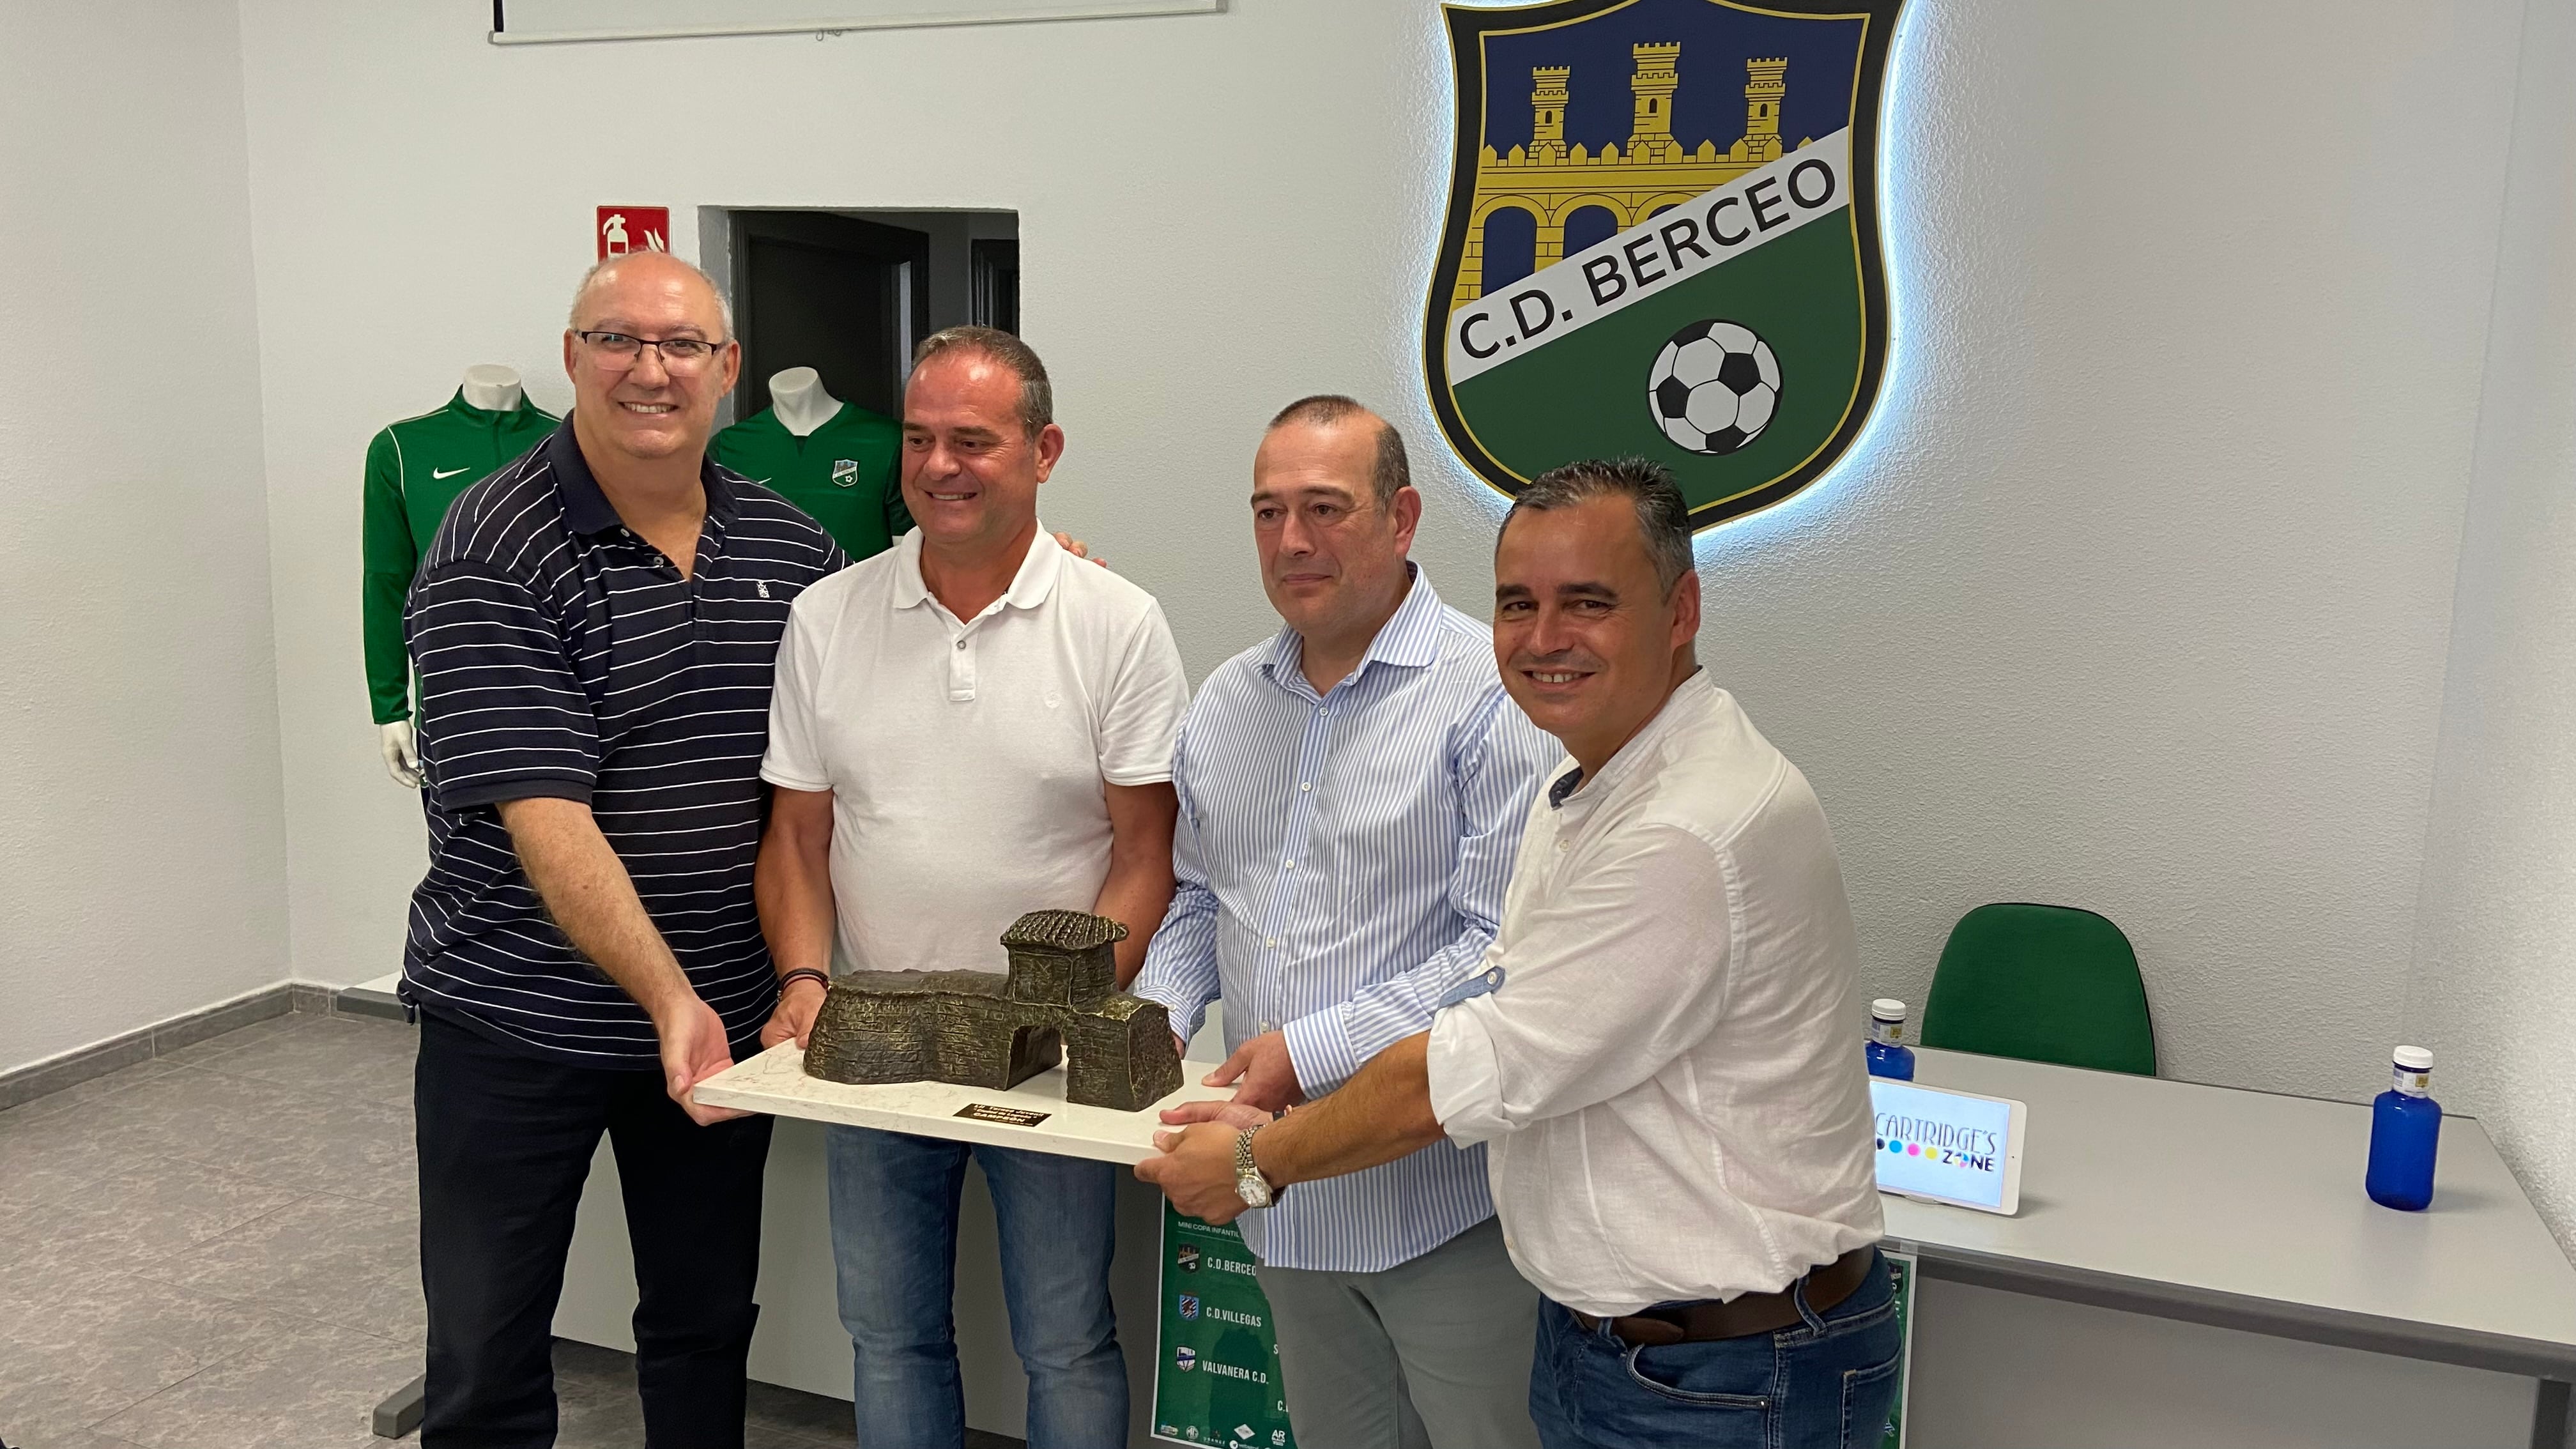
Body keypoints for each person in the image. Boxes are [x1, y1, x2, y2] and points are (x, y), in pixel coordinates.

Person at [1140, 459, 1897, 1449]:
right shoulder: (1588, 787)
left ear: (1682, 612)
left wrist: (1250, 1161)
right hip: (1621, 1341)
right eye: (1519, 604)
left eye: (1589, 603)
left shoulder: (1682, 828)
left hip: (1723, 1375)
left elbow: (1458, 1069)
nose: (1545, 640)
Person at [402, 250, 841, 1446]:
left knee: (704, 1329)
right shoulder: (490, 546)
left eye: (682, 344)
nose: (652, 370)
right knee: (489, 1352)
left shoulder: (793, 550)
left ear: (727, 369)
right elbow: (549, 820)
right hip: (512, 1023)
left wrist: (1041, 571)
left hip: (721, 1017)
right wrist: (667, 999)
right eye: (617, 340)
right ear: (571, 358)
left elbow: (873, 708)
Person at [755, 325, 1188, 1449]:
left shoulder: (1118, 623)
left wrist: (1076, 1012)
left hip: (1040, 1061)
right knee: (888, 1338)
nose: (939, 465)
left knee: (1066, 1340)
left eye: (973, 440)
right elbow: (799, 836)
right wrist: (807, 977)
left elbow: (1147, 852)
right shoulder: (827, 617)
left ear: (1043, 452)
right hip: (876, 1037)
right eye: (918, 438)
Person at [1129, 395, 1557, 1449]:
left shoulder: (1491, 695)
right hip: (1284, 1201)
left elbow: (1498, 952)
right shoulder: (1228, 702)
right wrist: (1158, 1015)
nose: (1292, 542)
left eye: (1325, 508)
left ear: (1402, 517)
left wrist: (1304, 1051)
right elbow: (1197, 896)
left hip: (1448, 1208)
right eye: (1268, 512)